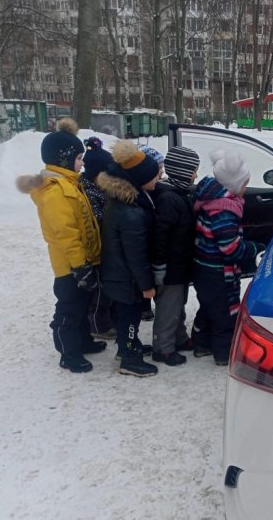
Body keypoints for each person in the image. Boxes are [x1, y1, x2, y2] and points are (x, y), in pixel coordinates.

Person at [15, 118, 106, 373]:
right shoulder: (55, 191)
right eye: (78, 158)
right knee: (70, 308)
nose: (82, 163)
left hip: (83, 259)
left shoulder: (70, 183)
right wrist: (79, 266)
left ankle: (83, 341)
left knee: (83, 304)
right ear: (64, 159)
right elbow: (65, 234)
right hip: (70, 266)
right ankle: (68, 352)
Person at [192, 149, 264, 366]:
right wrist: (254, 248)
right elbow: (230, 248)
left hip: (204, 268)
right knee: (224, 313)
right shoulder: (223, 211)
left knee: (208, 307)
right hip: (218, 272)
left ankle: (200, 343)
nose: (246, 188)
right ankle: (223, 353)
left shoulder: (211, 200)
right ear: (233, 184)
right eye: (244, 184)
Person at [96, 140, 161, 377]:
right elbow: (136, 254)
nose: (158, 178)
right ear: (139, 178)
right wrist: (146, 285)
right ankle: (128, 357)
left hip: (119, 273)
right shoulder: (131, 213)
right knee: (130, 316)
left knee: (125, 314)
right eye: (154, 176)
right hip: (127, 277)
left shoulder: (125, 200)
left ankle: (128, 346)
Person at [150, 146, 201, 366]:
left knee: (178, 303)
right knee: (168, 307)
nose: (196, 176)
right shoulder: (169, 199)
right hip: (170, 266)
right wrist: (159, 266)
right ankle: (163, 348)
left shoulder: (180, 194)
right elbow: (160, 236)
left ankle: (178, 338)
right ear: (182, 172)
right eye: (193, 171)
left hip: (179, 264)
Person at [80, 136, 116, 340]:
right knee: (101, 289)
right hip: (97, 249)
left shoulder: (100, 188)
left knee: (108, 286)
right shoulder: (89, 192)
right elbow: (98, 220)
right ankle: (98, 324)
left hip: (107, 247)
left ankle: (106, 318)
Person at [138, 146, 165, 321]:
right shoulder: (141, 194)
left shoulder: (154, 189)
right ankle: (144, 306)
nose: (162, 172)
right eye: (159, 168)